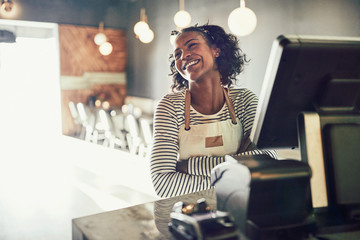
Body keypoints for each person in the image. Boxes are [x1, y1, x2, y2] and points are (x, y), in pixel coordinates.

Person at [150, 24, 276, 198]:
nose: (184, 55)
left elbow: (266, 158)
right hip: (190, 214)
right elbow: (164, 185)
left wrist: (191, 166)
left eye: (192, 45)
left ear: (216, 50)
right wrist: (235, 179)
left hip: (238, 211)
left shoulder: (244, 101)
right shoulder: (170, 106)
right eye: (177, 54)